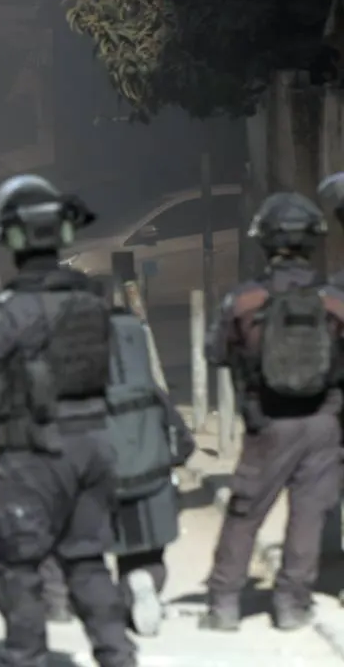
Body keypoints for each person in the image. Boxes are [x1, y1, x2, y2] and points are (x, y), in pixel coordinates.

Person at [0, 175, 137, 667]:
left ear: (11, 239)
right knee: (87, 562)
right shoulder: (91, 300)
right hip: (94, 445)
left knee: (20, 568)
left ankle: (27, 657)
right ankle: (118, 656)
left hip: (36, 454)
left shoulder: (11, 310)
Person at [201, 191, 344, 631]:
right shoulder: (334, 300)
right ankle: (291, 605)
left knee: (245, 512)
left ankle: (224, 605)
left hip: (267, 423)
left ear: (264, 241)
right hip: (323, 424)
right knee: (308, 516)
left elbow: (215, 352)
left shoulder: (244, 299)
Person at [40, 278, 196, 637]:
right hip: (144, 465)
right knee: (143, 544)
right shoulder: (131, 337)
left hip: (87, 467)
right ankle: (142, 579)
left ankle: (59, 600)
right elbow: (161, 405)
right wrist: (174, 450)